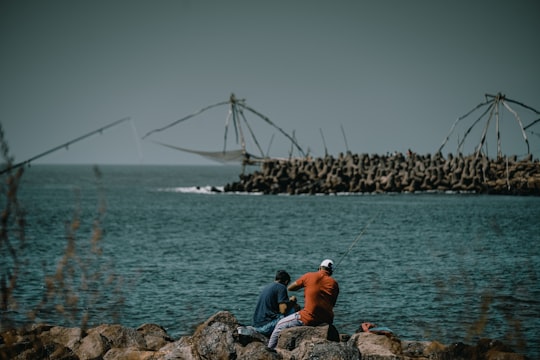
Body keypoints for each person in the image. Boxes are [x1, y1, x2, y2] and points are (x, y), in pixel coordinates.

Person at [267, 259, 339, 349]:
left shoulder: (309, 276)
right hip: (327, 319)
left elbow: (290, 288)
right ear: (331, 271)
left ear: (320, 268)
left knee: (280, 324)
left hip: (308, 318)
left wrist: (306, 286)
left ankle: (269, 350)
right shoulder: (335, 284)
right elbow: (332, 303)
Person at [252, 270, 300, 336]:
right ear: (286, 281)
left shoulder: (268, 286)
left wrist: (287, 302)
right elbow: (283, 310)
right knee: (296, 308)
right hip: (266, 327)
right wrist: (292, 302)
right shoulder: (281, 287)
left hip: (257, 325)